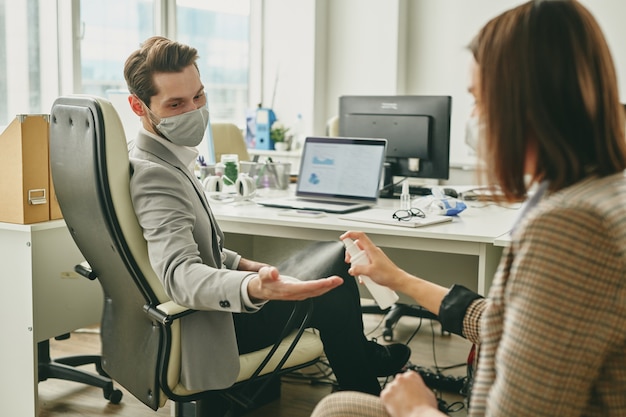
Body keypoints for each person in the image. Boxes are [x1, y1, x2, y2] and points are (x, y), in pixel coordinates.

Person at [311, 1, 626, 416]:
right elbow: (506, 323)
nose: (475, 118)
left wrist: (417, 409)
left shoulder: (571, 225)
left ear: (526, 103)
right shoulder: (601, 191)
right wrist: (397, 278)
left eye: (479, 99)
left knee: (338, 411)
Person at [122, 35, 410, 396]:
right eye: (176, 104)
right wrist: (254, 287)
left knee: (335, 252)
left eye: (199, 96)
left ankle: (365, 367)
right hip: (213, 326)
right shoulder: (154, 175)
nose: (194, 111)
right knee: (333, 292)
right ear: (138, 107)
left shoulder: (161, 156)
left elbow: (199, 246)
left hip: (215, 309)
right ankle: (367, 388)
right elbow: (179, 275)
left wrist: (250, 266)